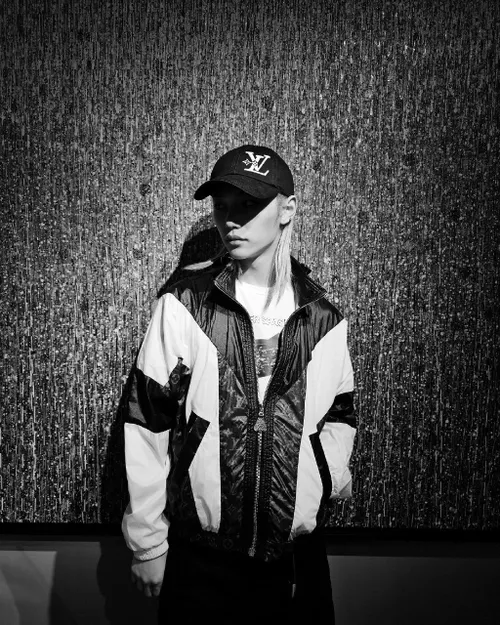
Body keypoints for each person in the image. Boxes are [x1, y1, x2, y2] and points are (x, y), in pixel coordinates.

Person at [122, 144, 356, 624]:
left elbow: (340, 414)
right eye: (222, 205)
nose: (231, 219)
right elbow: (147, 422)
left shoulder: (322, 317)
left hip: (296, 561)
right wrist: (148, 543)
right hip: (201, 561)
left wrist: (324, 478)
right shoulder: (184, 304)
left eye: (249, 204)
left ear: (287, 209)